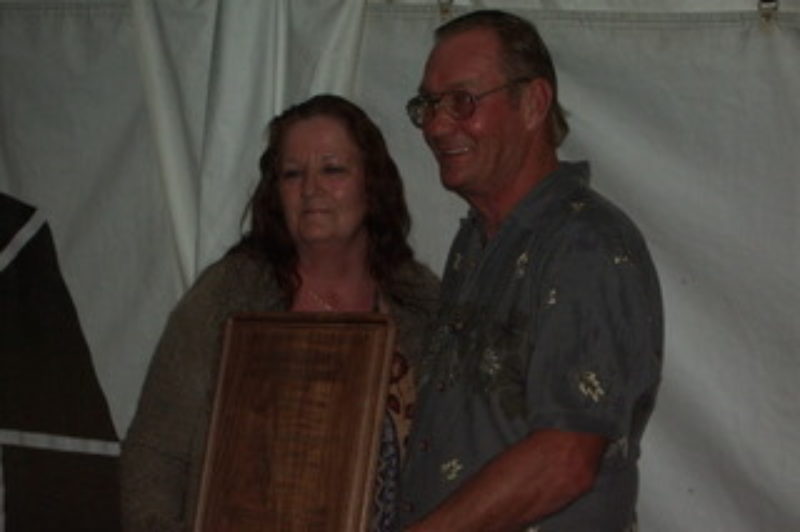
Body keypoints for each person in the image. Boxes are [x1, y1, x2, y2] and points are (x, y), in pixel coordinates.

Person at [395, 10, 663, 531]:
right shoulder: (475, 241)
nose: (435, 125)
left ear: (534, 103)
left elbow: (565, 459)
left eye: (461, 101)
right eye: (427, 104)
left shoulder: (585, 244)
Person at [121, 94, 439, 531]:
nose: (311, 189)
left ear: (372, 183)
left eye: (333, 169)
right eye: (292, 174)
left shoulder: (419, 304)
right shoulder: (228, 297)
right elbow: (156, 452)